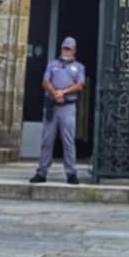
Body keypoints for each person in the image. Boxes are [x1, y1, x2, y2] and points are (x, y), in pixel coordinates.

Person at [30, 33, 85, 185]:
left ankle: (71, 172)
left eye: (69, 49)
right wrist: (55, 93)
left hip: (68, 106)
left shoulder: (79, 67)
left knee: (68, 140)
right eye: (64, 48)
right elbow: (45, 81)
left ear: (74, 51)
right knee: (47, 139)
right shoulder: (52, 64)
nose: (66, 51)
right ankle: (42, 172)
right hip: (52, 105)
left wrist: (63, 92)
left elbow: (80, 85)